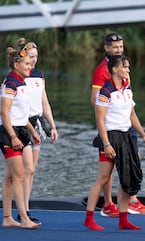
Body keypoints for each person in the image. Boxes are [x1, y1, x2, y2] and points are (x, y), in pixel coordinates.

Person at [84, 54, 145, 231]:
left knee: (125, 177)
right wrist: (106, 144)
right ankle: (89, 218)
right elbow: (100, 120)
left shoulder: (127, 89)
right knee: (104, 177)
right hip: (110, 136)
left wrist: (143, 134)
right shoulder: (105, 92)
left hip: (126, 136)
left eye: (128, 67)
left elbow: (132, 115)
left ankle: (123, 219)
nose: (128, 70)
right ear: (115, 69)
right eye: (125, 67)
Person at [15, 38, 58, 223]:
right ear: (24, 56)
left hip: (37, 124)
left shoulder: (39, 75)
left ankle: (26, 208)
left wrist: (53, 125)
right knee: (25, 169)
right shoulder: (18, 76)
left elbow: (44, 102)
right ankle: (21, 210)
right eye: (31, 57)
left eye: (36, 57)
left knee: (31, 171)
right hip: (23, 125)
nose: (34, 60)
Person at [0, 47, 41, 229]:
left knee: (10, 177)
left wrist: (33, 132)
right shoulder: (10, 84)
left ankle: (7, 217)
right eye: (26, 64)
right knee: (19, 176)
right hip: (9, 133)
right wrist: (12, 136)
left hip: (22, 130)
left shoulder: (22, 83)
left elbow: (22, 115)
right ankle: (24, 218)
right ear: (16, 64)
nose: (29, 66)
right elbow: (4, 113)